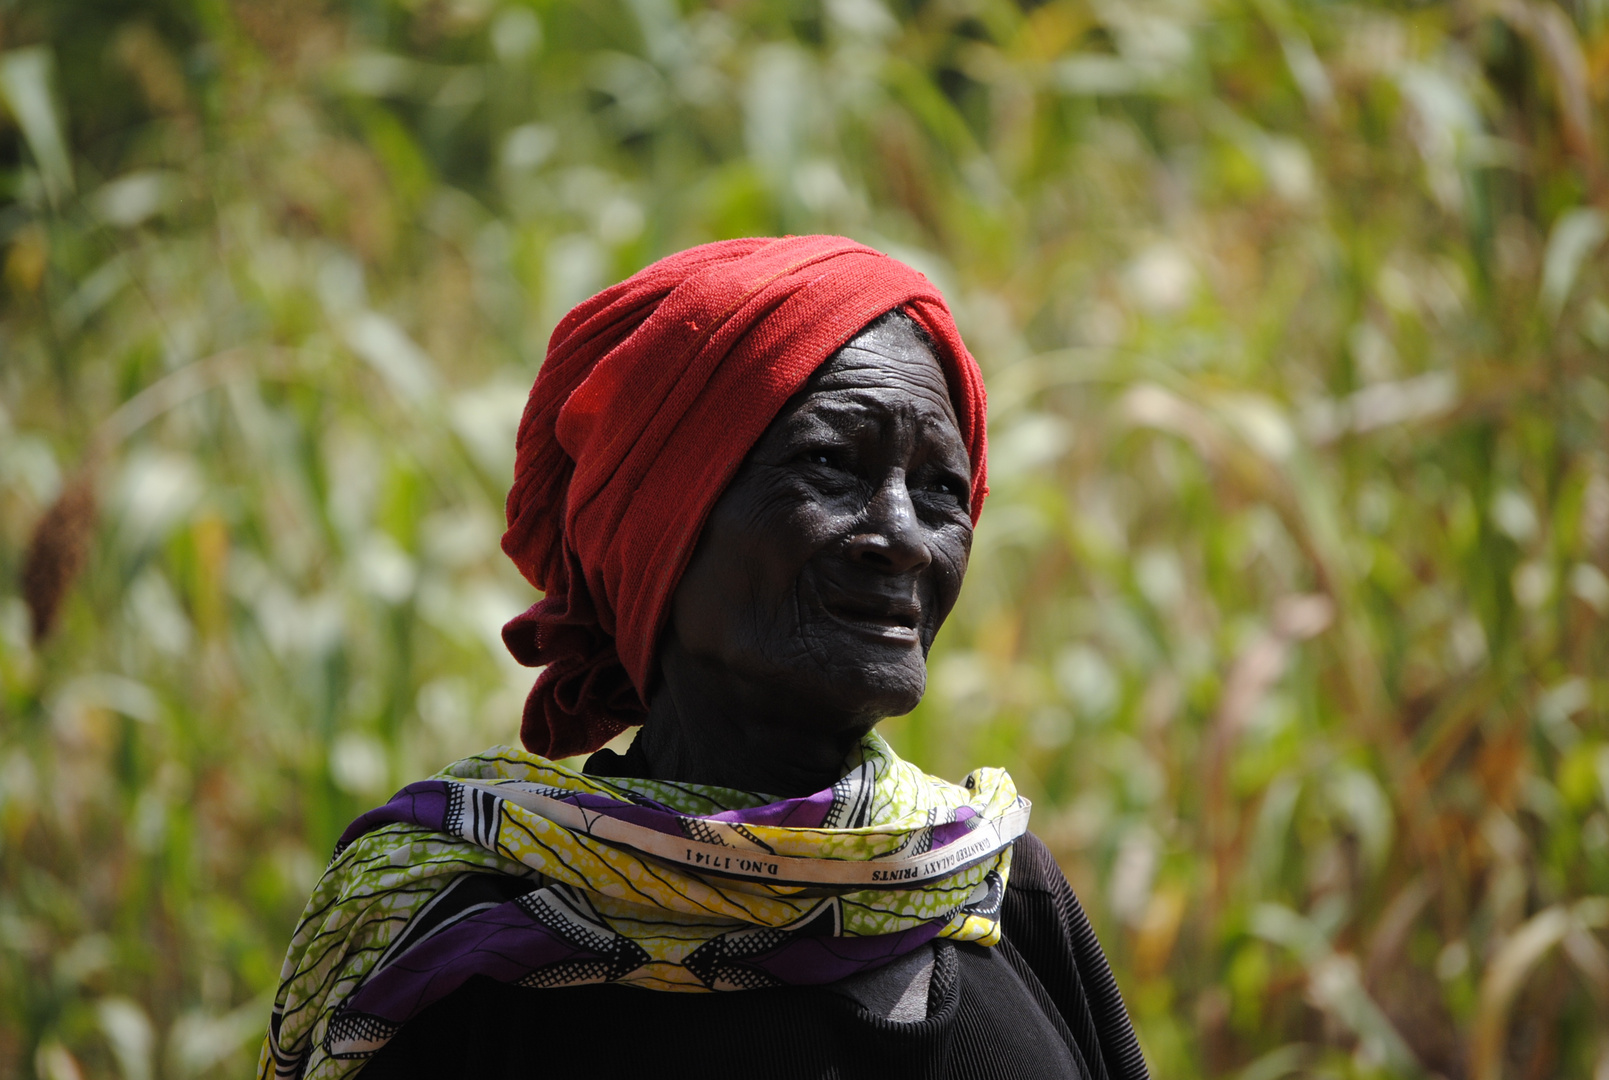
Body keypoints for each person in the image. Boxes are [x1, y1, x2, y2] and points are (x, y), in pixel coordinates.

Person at [261, 236, 1147, 1080]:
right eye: (832, 464)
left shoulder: (996, 888)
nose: (903, 538)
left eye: (940, 489)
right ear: (660, 531)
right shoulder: (463, 950)